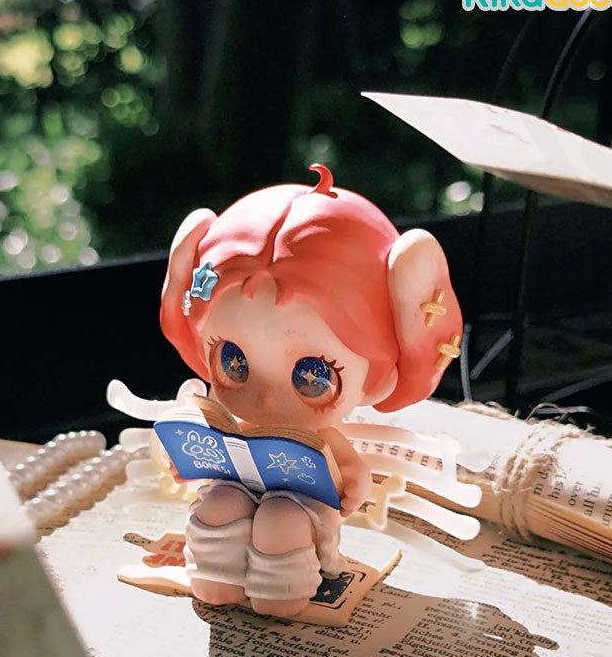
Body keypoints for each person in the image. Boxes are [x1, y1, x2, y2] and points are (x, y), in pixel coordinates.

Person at [160, 164, 462, 617]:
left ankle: (281, 590)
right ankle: (215, 578)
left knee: (281, 520)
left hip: (302, 506)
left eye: (313, 376)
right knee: (218, 503)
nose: (265, 399)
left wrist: (351, 483)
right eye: (232, 362)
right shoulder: (230, 419)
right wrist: (187, 456)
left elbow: (350, 473)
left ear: (377, 375)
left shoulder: (323, 440)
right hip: (235, 484)